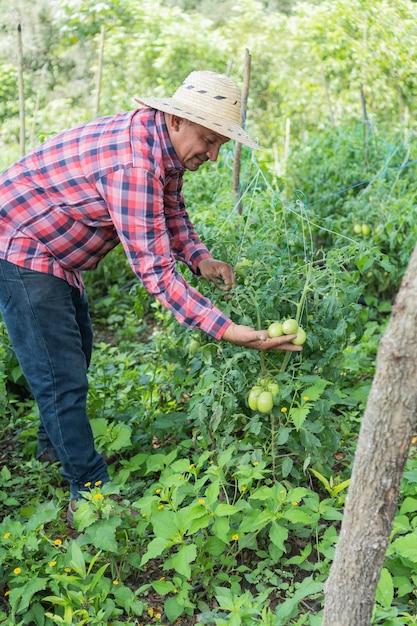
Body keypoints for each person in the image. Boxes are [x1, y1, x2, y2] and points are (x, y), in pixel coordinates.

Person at [0, 70, 302, 525]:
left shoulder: (163, 146)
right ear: (177, 121)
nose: (214, 156)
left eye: (221, 144)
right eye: (209, 140)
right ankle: (89, 489)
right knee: (59, 373)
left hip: (56, 252)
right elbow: (156, 272)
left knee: (75, 351)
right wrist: (228, 329)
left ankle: (52, 445)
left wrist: (200, 258)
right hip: (22, 245)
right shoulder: (134, 164)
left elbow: (171, 208)